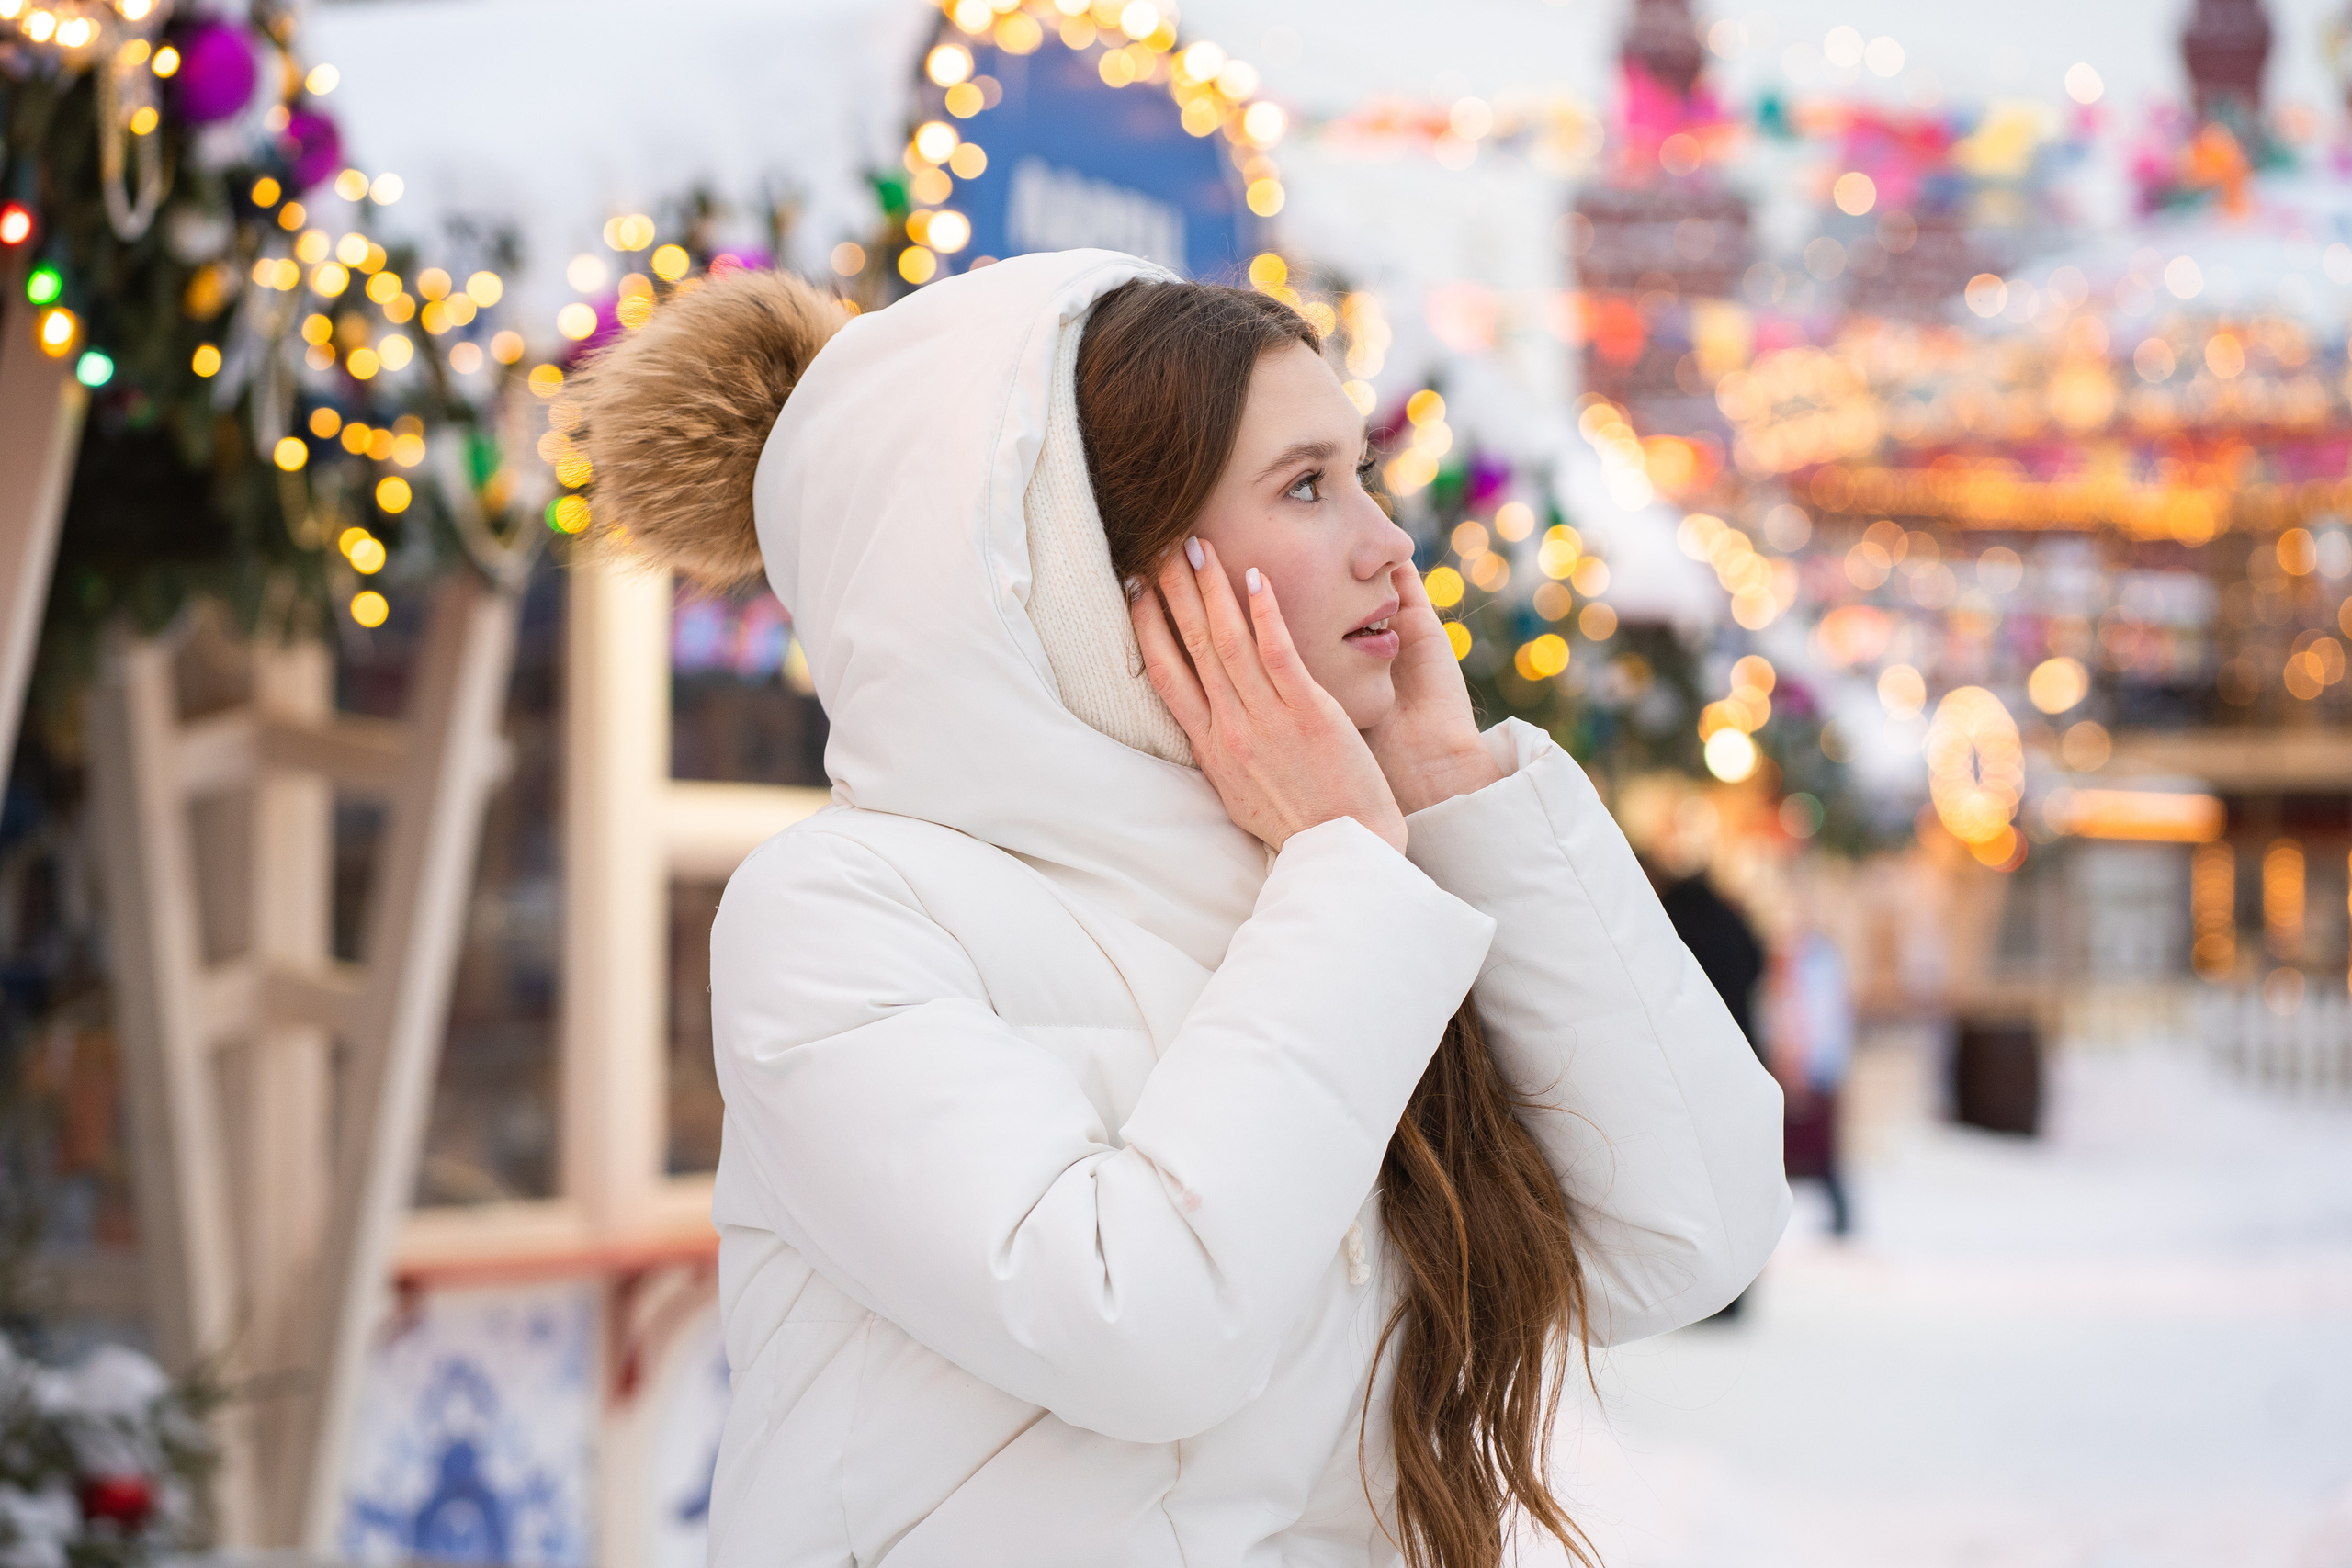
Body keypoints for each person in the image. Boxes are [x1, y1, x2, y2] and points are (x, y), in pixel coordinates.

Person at [571, 250, 1788, 1568]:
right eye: (1307, 486)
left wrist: (1450, 791)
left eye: (1365, 476)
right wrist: (1345, 875)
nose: (1391, 547)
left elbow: (1688, 1237)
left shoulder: (1332, 891)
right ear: (1081, 563)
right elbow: (1138, 1326)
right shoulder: (839, 914)